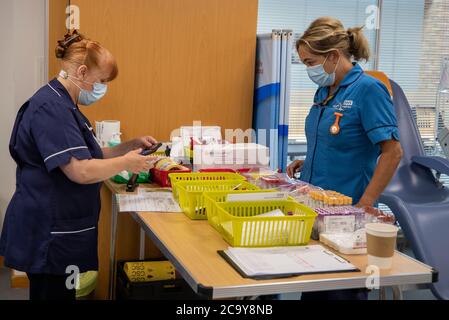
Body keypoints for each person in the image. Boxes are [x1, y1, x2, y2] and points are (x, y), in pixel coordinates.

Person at [0, 30, 159, 300]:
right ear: (83, 72)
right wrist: (127, 163)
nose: (102, 89)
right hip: (50, 231)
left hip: (63, 226)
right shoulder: (51, 108)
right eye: (101, 81)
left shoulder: (65, 104)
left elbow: (90, 154)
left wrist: (128, 146)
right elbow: (80, 170)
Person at [286, 17, 403, 300]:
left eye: (310, 62)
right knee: (315, 287)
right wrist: (308, 162)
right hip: (318, 207)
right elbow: (336, 139)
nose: (308, 69)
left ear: (334, 56)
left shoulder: (368, 90)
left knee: (340, 290)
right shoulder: (325, 90)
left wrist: (364, 204)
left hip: (348, 214)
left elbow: (392, 152)